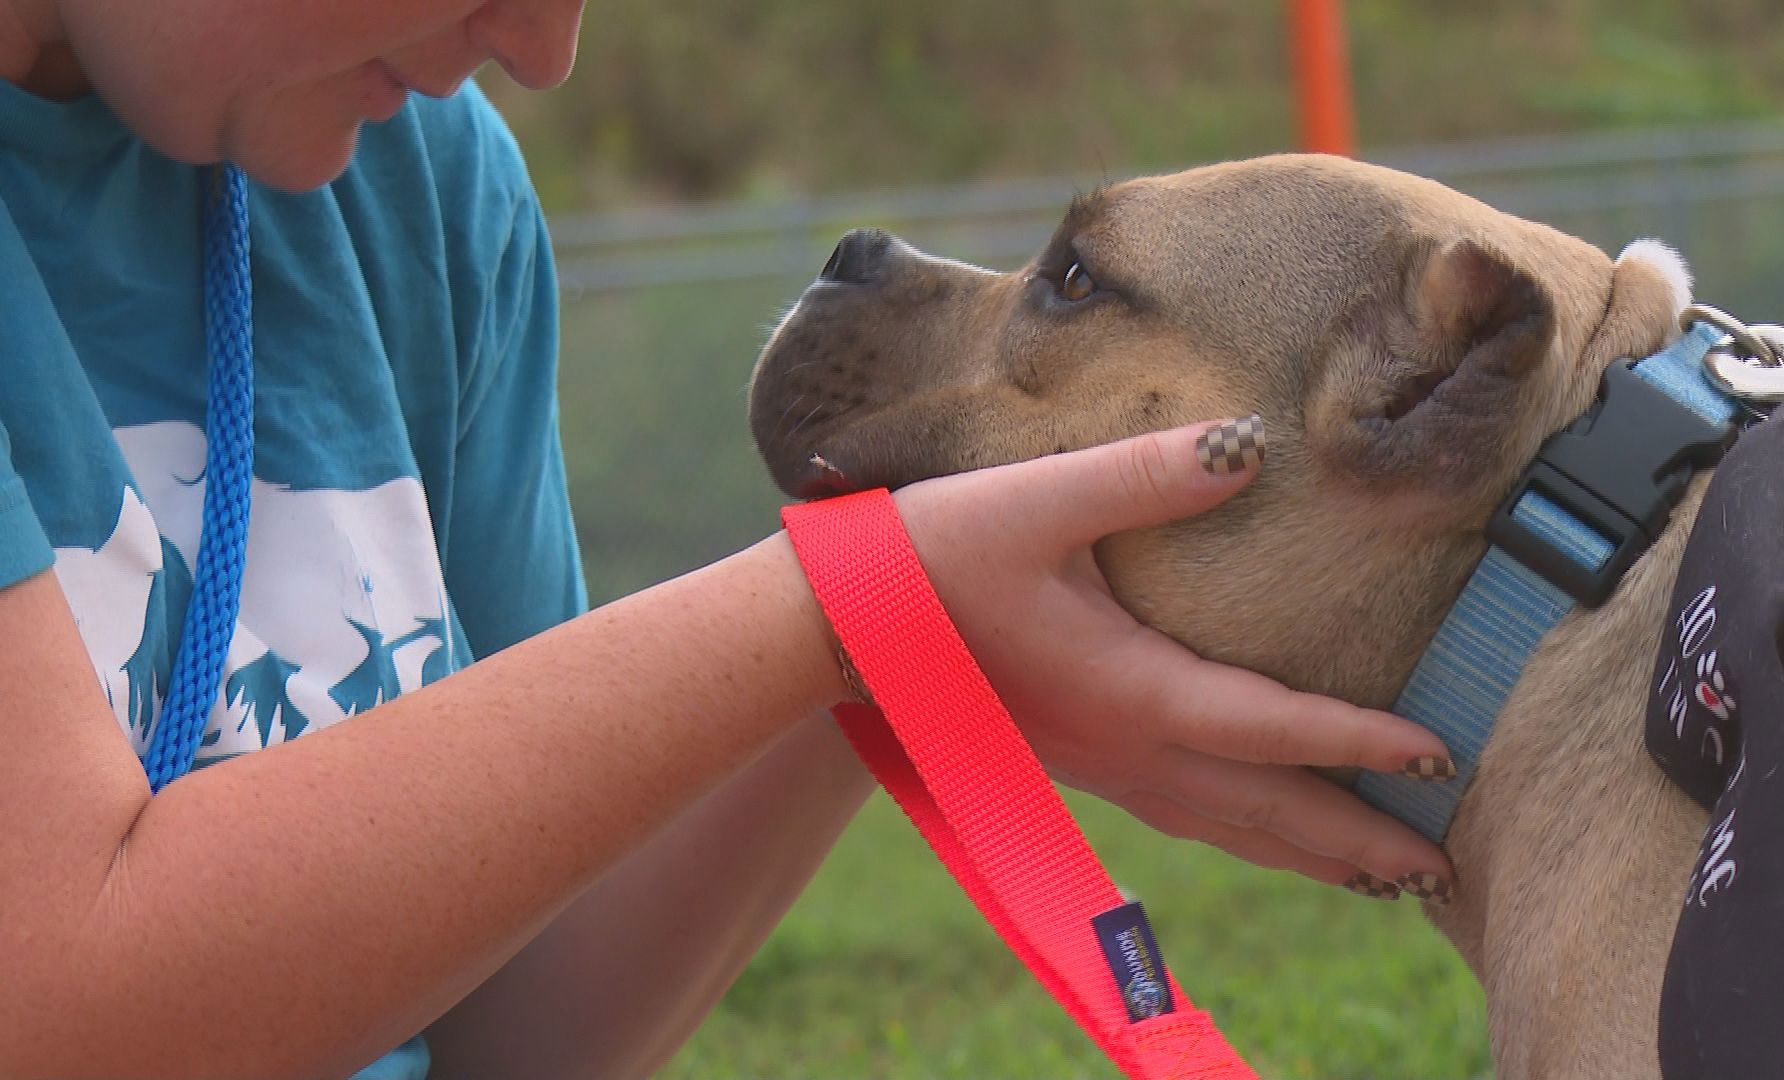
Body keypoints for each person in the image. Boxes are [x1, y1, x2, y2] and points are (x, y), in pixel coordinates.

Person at [0, 1, 1455, 1076]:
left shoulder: (411, 185)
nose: (541, 45)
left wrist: (897, 630)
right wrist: (834, 602)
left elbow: (506, 1023)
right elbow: (59, 1007)